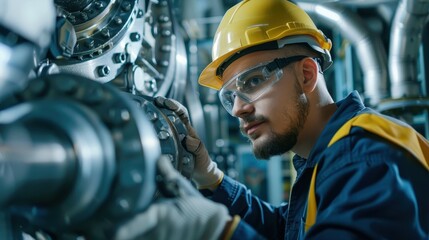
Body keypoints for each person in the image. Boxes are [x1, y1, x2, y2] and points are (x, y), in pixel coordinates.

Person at [115, 0, 429, 239]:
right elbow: (287, 230)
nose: (238, 108)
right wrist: (211, 177)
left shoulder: (362, 158)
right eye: (230, 95)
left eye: (252, 82)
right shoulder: (328, 157)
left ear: (307, 74)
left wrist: (216, 230)